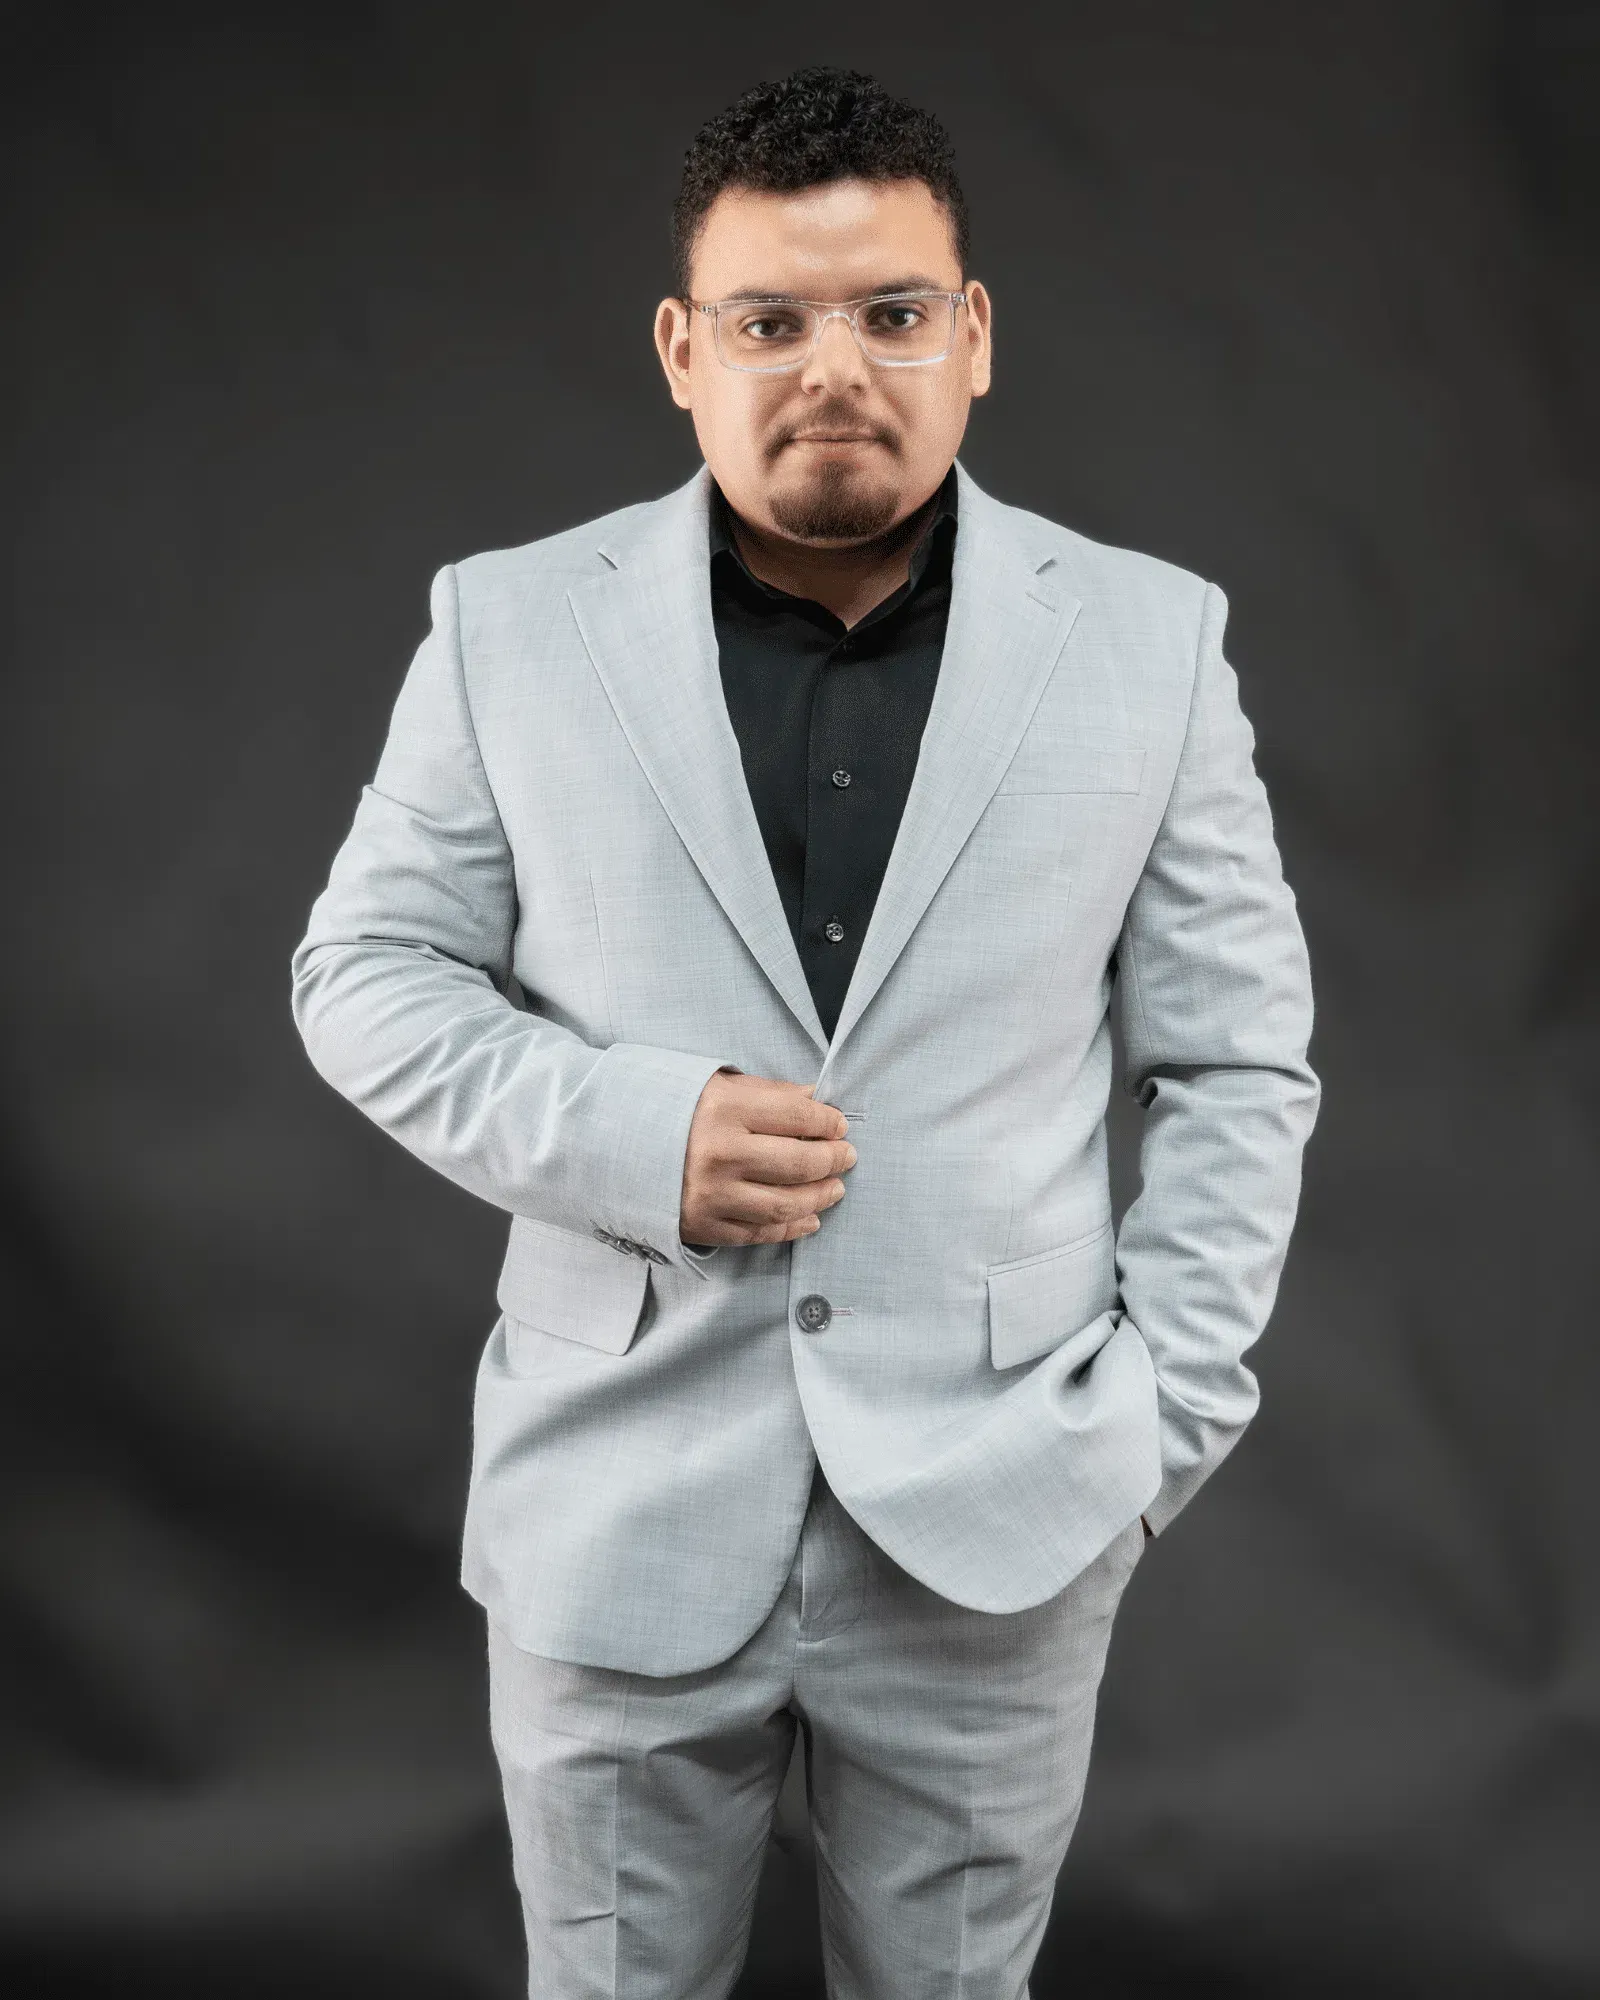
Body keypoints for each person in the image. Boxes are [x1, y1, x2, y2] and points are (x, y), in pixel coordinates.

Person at [291, 63, 1319, 2000]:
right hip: (611, 1500)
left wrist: (1148, 1431)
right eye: (768, 320)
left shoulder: (1150, 640)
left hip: (1004, 1519)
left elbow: (1234, 1063)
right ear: (683, 349)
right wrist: (625, 1131)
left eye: (888, 313)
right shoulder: (506, 626)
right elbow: (361, 971)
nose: (829, 364)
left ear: (972, 336)